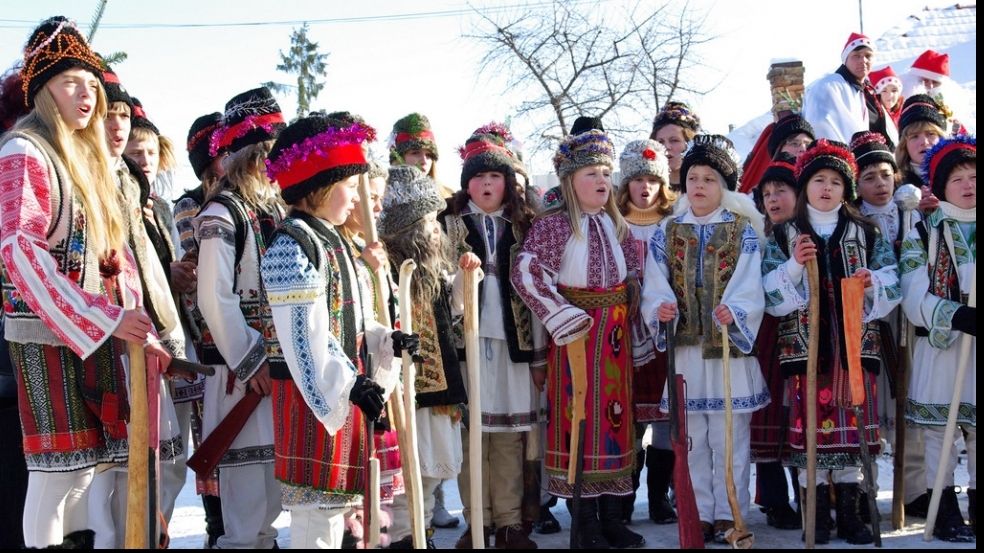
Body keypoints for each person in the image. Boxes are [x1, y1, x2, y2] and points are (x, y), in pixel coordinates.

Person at [0, 16, 169, 548]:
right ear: (43, 88)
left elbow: (115, 257)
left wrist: (140, 325)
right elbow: (18, 251)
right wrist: (103, 317)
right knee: (56, 474)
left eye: (93, 84)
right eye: (73, 81)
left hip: (97, 337)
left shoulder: (85, 160)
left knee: (84, 474)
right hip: (45, 338)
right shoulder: (24, 151)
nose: (88, 94)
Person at [260, 111, 411, 549]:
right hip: (313, 395)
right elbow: (302, 333)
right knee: (317, 513)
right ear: (321, 185)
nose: (356, 197)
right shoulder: (293, 244)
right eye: (349, 185)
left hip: (343, 388)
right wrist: (349, 381)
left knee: (339, 505)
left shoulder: (337, 240)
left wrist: (386, 340)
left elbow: (355, 317)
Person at [762, 139, 901, 545]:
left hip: (854, 353)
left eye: (836, 181)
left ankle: (853, 512)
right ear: (805, 186)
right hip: (807, 354)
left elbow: (891, 278)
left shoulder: (866, 231)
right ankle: (817, 512)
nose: (827, 188)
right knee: (810, 433)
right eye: (818, 180)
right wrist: (792, 266)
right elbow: (768, 294)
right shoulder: (786, 233)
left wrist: (874, 282)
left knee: (852, 430)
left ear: (847, 189)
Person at [512, 128, 645, 549]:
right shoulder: (554, 227)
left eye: (606, 172)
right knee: (579, 421)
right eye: (591, 172)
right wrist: (563, 317)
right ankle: (583, 519)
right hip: (577, 340)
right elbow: (526, 274)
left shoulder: (614, 224)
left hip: (615, 340)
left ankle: (610, 517)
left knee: (616, 421)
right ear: (570, 180)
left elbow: (632, 277)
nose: (603, 180)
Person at [642, 134, 769, 543]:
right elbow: (655, 283)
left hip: (730, 353)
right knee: (692, 439)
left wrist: (737, 309)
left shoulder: (742, 231)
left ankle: (732, 512)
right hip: (688, 356)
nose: (698, 185)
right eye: (692, 177)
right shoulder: (667, 231)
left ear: (724, 186)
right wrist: (661, 307)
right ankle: (697, 511)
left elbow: (751, 285)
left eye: (709, 178)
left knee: (730, 439)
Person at [194, 86, 286, 549]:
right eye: (271, 156)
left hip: (274, 373)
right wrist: (252, 363)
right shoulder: (222, 211)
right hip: (240, 377)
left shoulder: (273, 210)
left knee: (270, 500)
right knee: (246, 500)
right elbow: (215, 298)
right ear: (252, 156)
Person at [443, 132, 540, 549]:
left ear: (507, 182)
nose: (486, 184)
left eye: (494, 177)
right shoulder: (448, 226)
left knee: (508, 435)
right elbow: (438, 288)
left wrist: (539, 357)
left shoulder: (525, 226)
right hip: (468, 343)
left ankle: (510, 523)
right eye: (478, 177)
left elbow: (538, 290)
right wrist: (461, 279)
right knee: (472, 437)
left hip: (514, 344)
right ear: (466, 185)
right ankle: (477, 522)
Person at [379, 165, 469, 548]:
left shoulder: (436, 269)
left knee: (431, 472)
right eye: (430, 221)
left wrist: (465, 282)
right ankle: (404, 536)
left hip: (439, 389)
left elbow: (456, 311)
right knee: (407, 473)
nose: (437, 229)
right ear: (410, 228)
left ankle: (423, 531)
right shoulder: (387, 267)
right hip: (406, 393)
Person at [899, 135, 976, 542]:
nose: (968, 185)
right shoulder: (925, 230)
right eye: (958, 178)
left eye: (974, 176)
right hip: (942, 345)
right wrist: (957, 314)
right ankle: (942, 507)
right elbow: (912, 293)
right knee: (939, 433)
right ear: (942, 186)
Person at [615, 139, 678, 525]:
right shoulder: (612, 223)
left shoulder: (674, 223)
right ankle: (625, 495)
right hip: (623, 333)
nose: (644, 188)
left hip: (663, 331)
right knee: (628, 418)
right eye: (637, 179)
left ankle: (660, 498)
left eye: (652, 181)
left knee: (665, 419)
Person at [172, 111, 227, 546]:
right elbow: (195, 265)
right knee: (208, 434)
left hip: (238, 333)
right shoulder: (193, 204)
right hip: (204, 335)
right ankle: (216, 526)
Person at [749, 153, 803, 530]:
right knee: (769, 416)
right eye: (767, 193)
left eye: (781, 190)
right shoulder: (759, 238)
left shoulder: (810, 233)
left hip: (807, 335)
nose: (773, 199)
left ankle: (809, 495)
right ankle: (774, 498)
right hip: (768, 337)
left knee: (802, 413)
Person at [802, 32, 898, 148]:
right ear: (845, 59)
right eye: (856, 55)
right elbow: (822, 124)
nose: (863, 60)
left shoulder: (867, 92)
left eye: (868, 56)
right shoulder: (828, 86)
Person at [649, 101, 700, 192]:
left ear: (689, 143)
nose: (667, 147)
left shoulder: (703, 187)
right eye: (660, 142)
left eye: (674, 140)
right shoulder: (648, 188)